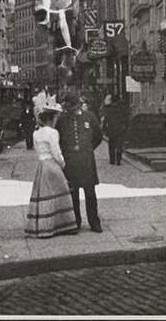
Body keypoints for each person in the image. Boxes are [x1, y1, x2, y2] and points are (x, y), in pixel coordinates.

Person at [25, 98, 78, 238]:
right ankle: (62, 224)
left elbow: (38, 151)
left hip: (42, 166)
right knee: (61, 193)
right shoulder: (53, 133)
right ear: (51, 118)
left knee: (45, 195)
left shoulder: (36, 133)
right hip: (52, 165)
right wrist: (63, 164)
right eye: (55, 117)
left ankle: (43, 226)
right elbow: (56, 152)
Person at [56, 91, 103, 233]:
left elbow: (98, 136)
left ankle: (94, 222)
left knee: (90, 193)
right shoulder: (62, 120)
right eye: (67, 107)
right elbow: (58, 139)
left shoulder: (89, 117)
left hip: (86, 160)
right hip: (70, 162)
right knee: (73, 194)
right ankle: (75, 223)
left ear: (77, 105)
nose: (69, 109)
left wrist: (88, 149)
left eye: (72, 106)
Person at [101, 94, 129, 165]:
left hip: (111, 129)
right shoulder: (122, 108)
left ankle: (112, 160)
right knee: (119, 144)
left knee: (112, 145)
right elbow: (126, 118)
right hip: (120, 129)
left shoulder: (108, 109)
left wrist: (104, 129)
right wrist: (126, 126)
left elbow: (105, 119)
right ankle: (118, 160)